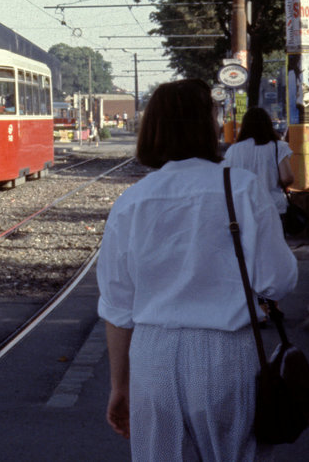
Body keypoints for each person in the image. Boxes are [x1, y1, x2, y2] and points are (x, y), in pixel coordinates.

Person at [97, 79, 297, 461]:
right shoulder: (242, 188)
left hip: (152, 355)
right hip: (225, 352)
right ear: (205, 124)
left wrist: (119, 385)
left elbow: (117, 306)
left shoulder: (131, 201)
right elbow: (277, 281)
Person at [224, 107, 296, 220]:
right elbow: (287, 177)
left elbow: (227, 179)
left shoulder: (233, 150)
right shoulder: (278, 147)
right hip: (273, 207)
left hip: (243, 207)